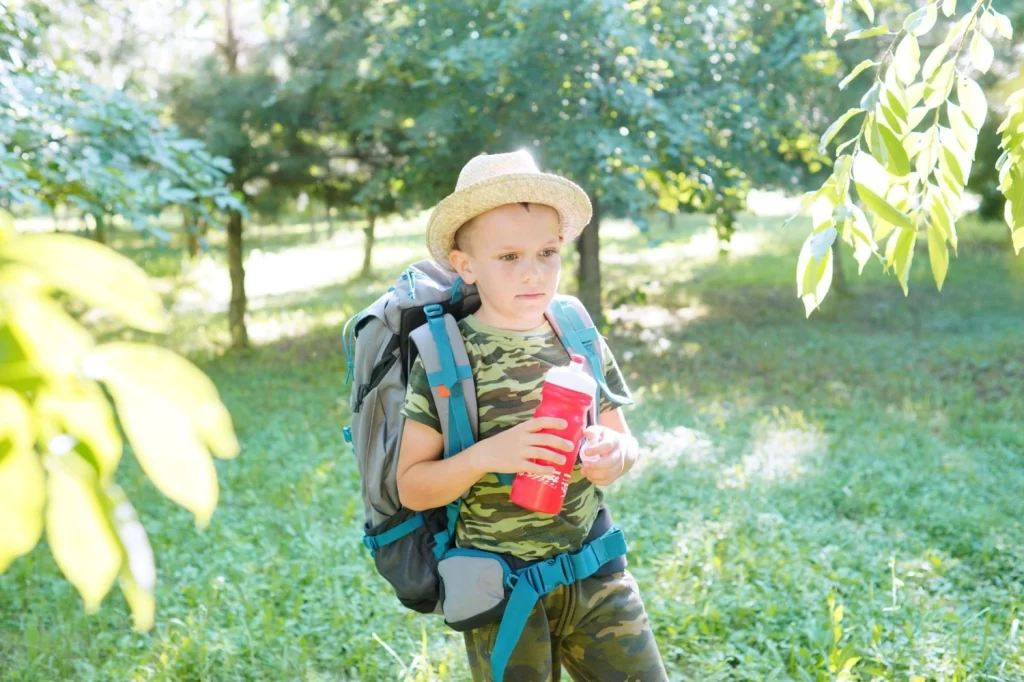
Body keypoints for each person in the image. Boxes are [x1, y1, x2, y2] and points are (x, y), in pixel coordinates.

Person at [396, 149, 668, 681]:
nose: (534, 272)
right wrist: (488, 455)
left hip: (596, 572)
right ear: (465, 264)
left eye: (547, 251)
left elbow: (624, 440)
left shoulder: (577, 334)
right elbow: (412, 487)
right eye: (509, 257)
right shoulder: (448, 358)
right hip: (504, 592)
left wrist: (616, 455)